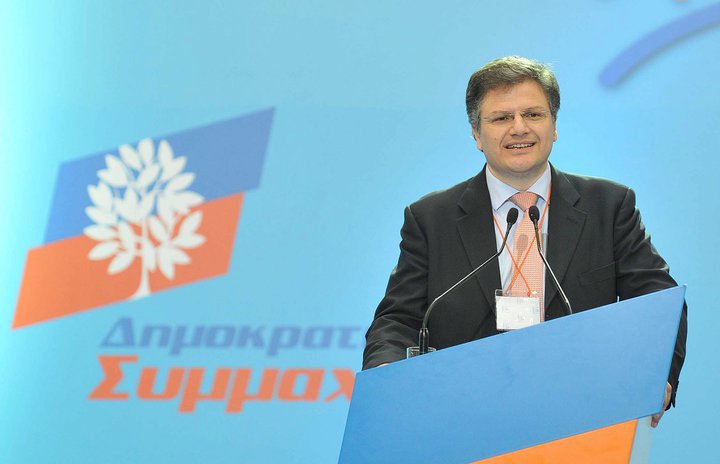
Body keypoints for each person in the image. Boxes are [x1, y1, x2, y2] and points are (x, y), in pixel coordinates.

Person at [362, 56, 687, 428]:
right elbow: (399, 318)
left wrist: (655, 373)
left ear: (554, 126)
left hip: (583, 417)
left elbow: (657, 300)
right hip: (463, 420)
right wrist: (385, 376)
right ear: (476, 134)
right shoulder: (432, 219)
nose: (519, 128)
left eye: (533, 114)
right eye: (501, 118)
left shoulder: (609, 206)